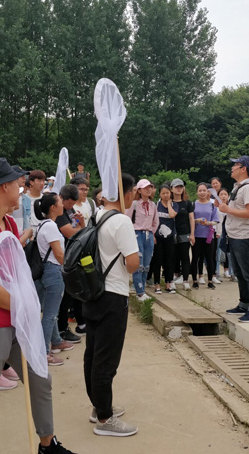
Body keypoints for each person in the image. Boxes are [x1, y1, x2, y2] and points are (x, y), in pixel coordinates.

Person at [0, 158, 76, 454]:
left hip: (16, 320)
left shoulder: (9, 223)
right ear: (3, 187)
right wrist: (25, 307)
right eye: (16, 183)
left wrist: (25, 308)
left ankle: (48, 445)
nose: (20, 187)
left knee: (41, 380)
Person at [84, 173, 140, 437]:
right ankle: (105, 418)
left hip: (93, 291)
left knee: (93, 353)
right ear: (126, 194)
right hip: (113, 295)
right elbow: (133, 263)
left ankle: (98, 407)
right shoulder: (121, 221)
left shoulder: (95, 216)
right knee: (106, 360)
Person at [219, 156, 249, 323]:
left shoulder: (248, 188)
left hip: (244, 237)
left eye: (235, 165)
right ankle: (244, 304)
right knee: (240, 273)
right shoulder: (237, 187)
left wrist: (228, 209)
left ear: (244, 169)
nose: (232, 168)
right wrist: (223, 207)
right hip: (234, 235)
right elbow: (235, 209)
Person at [33, 193, 69, 367]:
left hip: (45, 271)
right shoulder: (51, 227)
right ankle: (44, 353)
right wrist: (69, 267)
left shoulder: (44, 224)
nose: (62, 204)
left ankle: (55, 341)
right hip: (53, 271)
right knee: (50, 314)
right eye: (60, 201)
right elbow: (59, 254)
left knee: (49, 311)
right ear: (53, 207)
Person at [55, 184, 85, 344]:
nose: (71, 207)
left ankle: (64, 327)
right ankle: (61, 329)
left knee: (69, 295)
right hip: (60, 259)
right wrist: (80, 227)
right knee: (62, 297)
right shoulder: (59, 212)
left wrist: (81, 223)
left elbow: (81, 231)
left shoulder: (69, 210)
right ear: (62, 198)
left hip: (70, 258)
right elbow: (71, 233)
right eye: (69, 203)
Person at [126, 179, 159, 300]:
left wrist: (152, 232)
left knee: (146, 263)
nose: (148, 190)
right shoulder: (134, 204)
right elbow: (127, 218)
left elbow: (156, 221)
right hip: (137, 233)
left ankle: (142, 288)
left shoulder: (153, 205)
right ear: (139, 190)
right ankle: (139, 291)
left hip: (148, 234)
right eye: (145, 188)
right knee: (138, 263)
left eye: (149, 187)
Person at [191, 182, 220, 290]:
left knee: (209, 258)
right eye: (200, 190)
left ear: (208, 192)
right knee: (195, 258)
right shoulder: (193, 204)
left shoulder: (212, 205)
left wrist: (208, 223)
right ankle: (195, 280)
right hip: (196, 235)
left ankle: (210, 281)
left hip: (208, 236)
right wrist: (197, 220)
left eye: (204, 190)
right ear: (197, 192)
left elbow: (216, 220)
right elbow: (190, 220)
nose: (202, 192)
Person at [151, 184, 178, 293]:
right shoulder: (156, 205)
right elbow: (152, 221)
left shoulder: (175, 205)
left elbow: (172, 215)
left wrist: (169, 204)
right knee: (157, 260)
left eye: (167, 193)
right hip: (158, 236)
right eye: (163, 193)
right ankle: (157, 284)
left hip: (170, 237)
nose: (165, 195)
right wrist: (153, 235)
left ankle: (168, 283)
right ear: (160, 194)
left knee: (169, 261)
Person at [170, 178, 195, 291]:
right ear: (171, 189)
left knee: (185, 257)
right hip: (172, 233)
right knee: (172, 257)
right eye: (176, 187)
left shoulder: (188, 203)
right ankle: (171, 279)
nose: (179, 189)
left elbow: (191, 219)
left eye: (181, 187)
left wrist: (192, 234)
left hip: (185, 233)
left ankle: (185, 280)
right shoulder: (169, 203)